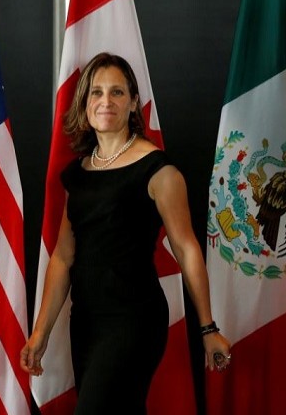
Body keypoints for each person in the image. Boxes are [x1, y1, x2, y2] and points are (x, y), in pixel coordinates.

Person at [20, 52, 231, 413]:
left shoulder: (159, 171)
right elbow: (63, 256)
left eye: (117, 92)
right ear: (85, 103)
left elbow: (186, 249)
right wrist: (41, 332)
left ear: (134, 102)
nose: (106, 102)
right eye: (96, 93)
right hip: (85, 321)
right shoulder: (78, 175)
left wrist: (208, 328)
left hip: (134, 320)